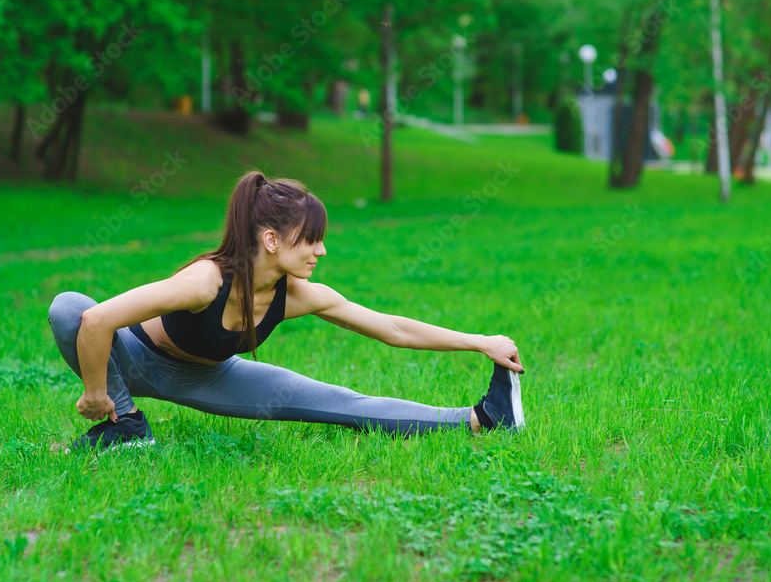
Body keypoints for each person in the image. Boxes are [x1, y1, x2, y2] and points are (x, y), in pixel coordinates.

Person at [47, 170, 525, 450]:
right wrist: (97, 393)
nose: (320, 251)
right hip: (136, 360)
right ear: (271, 240)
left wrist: (479, 342)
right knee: (67, 305)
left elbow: (391, 329)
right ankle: (126, 429)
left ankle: (482, 418)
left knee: (342, 404)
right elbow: (94, 319)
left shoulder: (295, 293)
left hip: (212, 375)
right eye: (310, 239)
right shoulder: (205, 281)